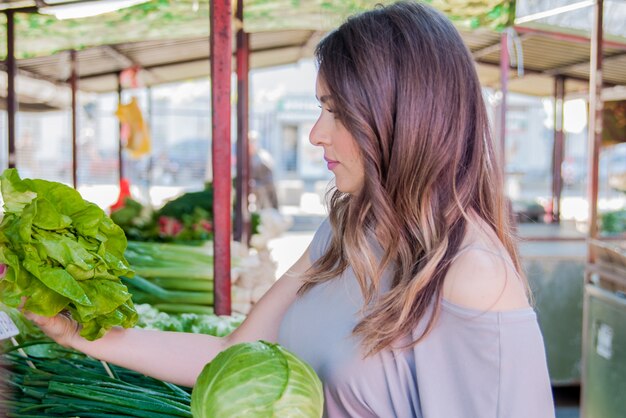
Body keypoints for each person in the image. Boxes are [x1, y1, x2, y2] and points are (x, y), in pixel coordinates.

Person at [26, 2, 555, 417]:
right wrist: (80, 334)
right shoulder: (345, 231)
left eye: (338, 112)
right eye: (320, 107)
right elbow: (231, 353)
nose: (315, 134)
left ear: (405, 119)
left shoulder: (473, 276)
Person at [248, 130, 279, 210]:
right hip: (257, 192)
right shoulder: (249, 157)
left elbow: (268, 182)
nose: (250, 144)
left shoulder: (262, 158)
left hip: (265, 193)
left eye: (252, 142)